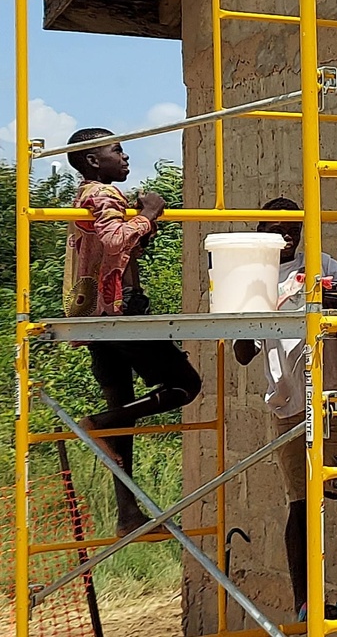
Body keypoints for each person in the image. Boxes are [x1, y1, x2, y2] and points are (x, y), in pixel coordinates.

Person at [233, 197, 337, 623]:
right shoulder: (253, 279)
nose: (288, 234)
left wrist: (329, 295)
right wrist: (250, 310)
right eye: (277, 228)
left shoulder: (321, 263)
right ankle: (305, 602)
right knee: (300, 501)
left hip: (333, 392)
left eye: (294, 226)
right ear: (262, 234)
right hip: (288, 401)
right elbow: (241, 353)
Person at [63, 128, 202, 537]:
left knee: (123, 411)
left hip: (94, 314)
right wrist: (150, 213)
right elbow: (114, 238)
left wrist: (142, 225)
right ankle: (102, 423)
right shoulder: (102, 196)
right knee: (185, 385)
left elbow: (120, 246)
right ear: (92, 160)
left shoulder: (87, 195)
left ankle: (127, 514)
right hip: (119, 309)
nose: (124, 157)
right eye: (116, 150)